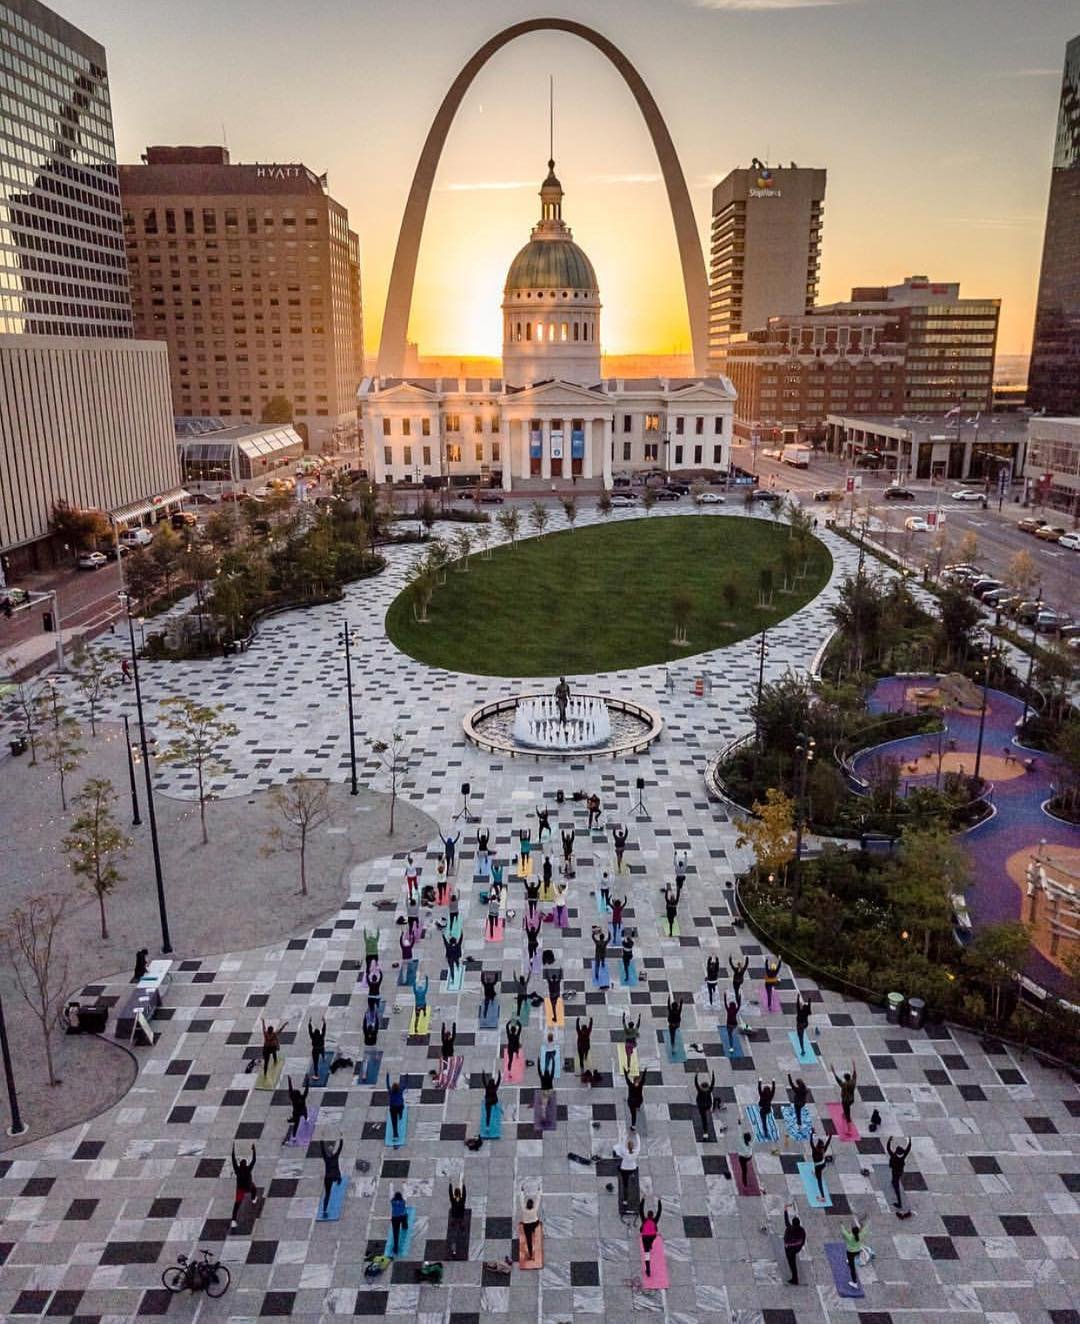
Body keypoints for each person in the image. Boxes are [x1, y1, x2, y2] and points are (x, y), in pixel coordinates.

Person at [230, 1144, 256, 1228]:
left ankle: (233, 1220)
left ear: (240, 1165)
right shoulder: (248, 1169)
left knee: (237, 1205)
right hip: (248, 1187)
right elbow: (254, 1160)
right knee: (254, 1189)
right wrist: (253, 1150)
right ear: (245, 1164)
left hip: (240, 1189)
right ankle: (253, 1199)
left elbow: (233, 1160)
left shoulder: (237, 1170)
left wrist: (233, 1149)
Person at [613, 1128, 640, 1206]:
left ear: (627, 1146)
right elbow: (639, 1144)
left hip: (624, 1169)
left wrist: (626, 1135)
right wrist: (636, 1134)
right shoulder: (636, 1152)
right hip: (632, 1168)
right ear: (633, 1147)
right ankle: (632, 1175)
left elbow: (622, 1143)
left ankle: (625, 1200)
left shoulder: (624, 1151)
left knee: (625, 1185)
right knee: (631, 1172)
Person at [841, 1219, 870, 1290]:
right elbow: (865, 1230)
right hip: (858, 1250)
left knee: (852, 1268)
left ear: (852, 1232)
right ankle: (849, 1261)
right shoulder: (861, 1235)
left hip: (850, 1252)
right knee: (853, 1258)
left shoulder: (850, 1237)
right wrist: (864, 1225)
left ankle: (855, 1283)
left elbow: (844, 1232)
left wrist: (841, 1225)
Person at [637, 1197, 662, 1277]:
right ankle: (650, 1245)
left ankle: (648, 1269)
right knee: (651, 1241)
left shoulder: (644, 1220)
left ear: (647, 1215)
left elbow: (641, 1210)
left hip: (645, 1237)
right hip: (652, 1236)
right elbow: (659, 1211)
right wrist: (659, 1201)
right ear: (652, 1215)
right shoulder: (655, 1220)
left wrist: (643, 1199)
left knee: (647, 1253)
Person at [319, 1138, 343, 1217]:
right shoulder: (335, 1156)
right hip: (334, 1176)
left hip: (328, 1178)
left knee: (327, 1194)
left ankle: (325, 1210)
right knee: (339, 1176)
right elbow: (340, 1148)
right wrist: (341, 1138)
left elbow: (322, 1149)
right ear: (332, 1151)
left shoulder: (326, 1158)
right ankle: (339, 1180)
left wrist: (321, 1139)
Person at [887, 1135, 912, 1209]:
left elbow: (888, 1149)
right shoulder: (903, 1156)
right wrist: (910, 1142)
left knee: (896, 1186)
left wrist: (889, 1141)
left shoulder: (893, 1156)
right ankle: (893, 1182)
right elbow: (908, 1149)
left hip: (895, 1172)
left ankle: (899, 1203)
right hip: (900, 1172)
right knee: (894, 1179)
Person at [783, 1204, 806, 1285]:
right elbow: (802, 1241)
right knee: (792, 1262)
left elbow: (786, 1221)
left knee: (792, 1263)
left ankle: (795, 1279)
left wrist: (785, 1210)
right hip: (795, 1249)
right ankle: (794, 1278)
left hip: (790, 1250)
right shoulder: (801, 1230)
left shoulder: (790, 1228)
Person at [283, 1075, 309, 1144]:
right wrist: (307, 1082)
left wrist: (289, 1081)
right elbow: (306, 1091)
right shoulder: (302, 1098)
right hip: (302, 1110)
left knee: (296, 1125)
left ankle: (294, 1136)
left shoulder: (293, 1098)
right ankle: (306, 1119)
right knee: (305, 1113)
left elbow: (290, 1090)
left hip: (296, 1113)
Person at [519, 1183, 542, 1261]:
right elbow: (538, 1199)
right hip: (535, 1223)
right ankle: (534, 1231)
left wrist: (522, 1191)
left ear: (526, 1205)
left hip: (526, 1225)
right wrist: (539, 1190)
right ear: (532, 1205)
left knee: (529, 1240)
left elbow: (521, 1200)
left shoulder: (523, 1209)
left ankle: (531, 1255)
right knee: (536, 1224)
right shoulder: (535, 1209)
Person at [832, 1060, 858, 1129]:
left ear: (845, 1078)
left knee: (848, 1115)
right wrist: (854, 1066)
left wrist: (834, 1072)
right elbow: (855, 1075)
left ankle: (849, 1128)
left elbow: (838, 1080)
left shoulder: (844, 1084)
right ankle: (844, 1113)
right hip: (852, 1099)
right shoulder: (853, 1082)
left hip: (845, 1101)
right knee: (847, 1109)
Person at [809, 1129, 833, 1201]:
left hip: (818, 1167)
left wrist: (811, 1134)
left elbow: (811, 1143)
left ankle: (823, 1197)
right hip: (823, 1164)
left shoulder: (815, 1150)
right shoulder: (823, 1150)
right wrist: (830, 1136)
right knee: (817, 1169)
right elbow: (828, 1143)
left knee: (819, 1181)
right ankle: (816, 1174)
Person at [694, 1071, 715, 1137]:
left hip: (701, 1106)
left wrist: (696, 1074)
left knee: (704, 1119)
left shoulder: (700, 1090)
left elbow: (696, 1083)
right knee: (704, 1118)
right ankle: (705, 1132)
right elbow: (713, 1083)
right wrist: (713, 1075)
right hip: (708, 1105)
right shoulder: (709, 1090)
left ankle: (705, 1132)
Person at [386, 1074, 406, 1142]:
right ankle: (400, 1116)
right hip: (400, 1106)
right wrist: (406, 1076)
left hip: (393, 1108)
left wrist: (387, 1075)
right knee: (401, 1109)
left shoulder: (390, 1091)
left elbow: (387, 1084)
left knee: (394, 1122)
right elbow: (404, 1085)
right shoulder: (400, 1090)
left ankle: (395, 1135)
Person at [390, 1189, 409, 1255]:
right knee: (405, 1216)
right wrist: (404, 1184)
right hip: (402, 1217)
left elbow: (391, 1192)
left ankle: (395, 1248)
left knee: (396, 1234)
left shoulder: (392, 1202)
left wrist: (391, 1184)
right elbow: (405, 1193)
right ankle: (405, 1226)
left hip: (395, 1218)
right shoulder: (403, 1201)